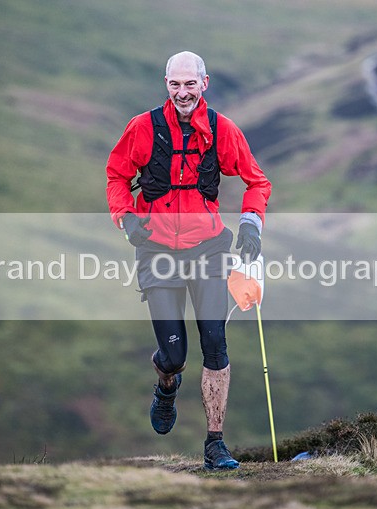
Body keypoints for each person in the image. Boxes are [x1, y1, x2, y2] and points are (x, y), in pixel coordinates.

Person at [106, 51, 271, 470]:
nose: (182, 93)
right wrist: (126, 220)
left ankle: (216, 444)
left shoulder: (221, 131)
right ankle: (166, 383)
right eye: (175, 85)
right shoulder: (142, 128)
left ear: (204, 83)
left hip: (208, 249)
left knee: (214, 343)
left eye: (190, 84)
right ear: (166, 84)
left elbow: (257, 181)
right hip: (157, 252)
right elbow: (117, 175)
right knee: (175, 354)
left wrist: (251, 223)